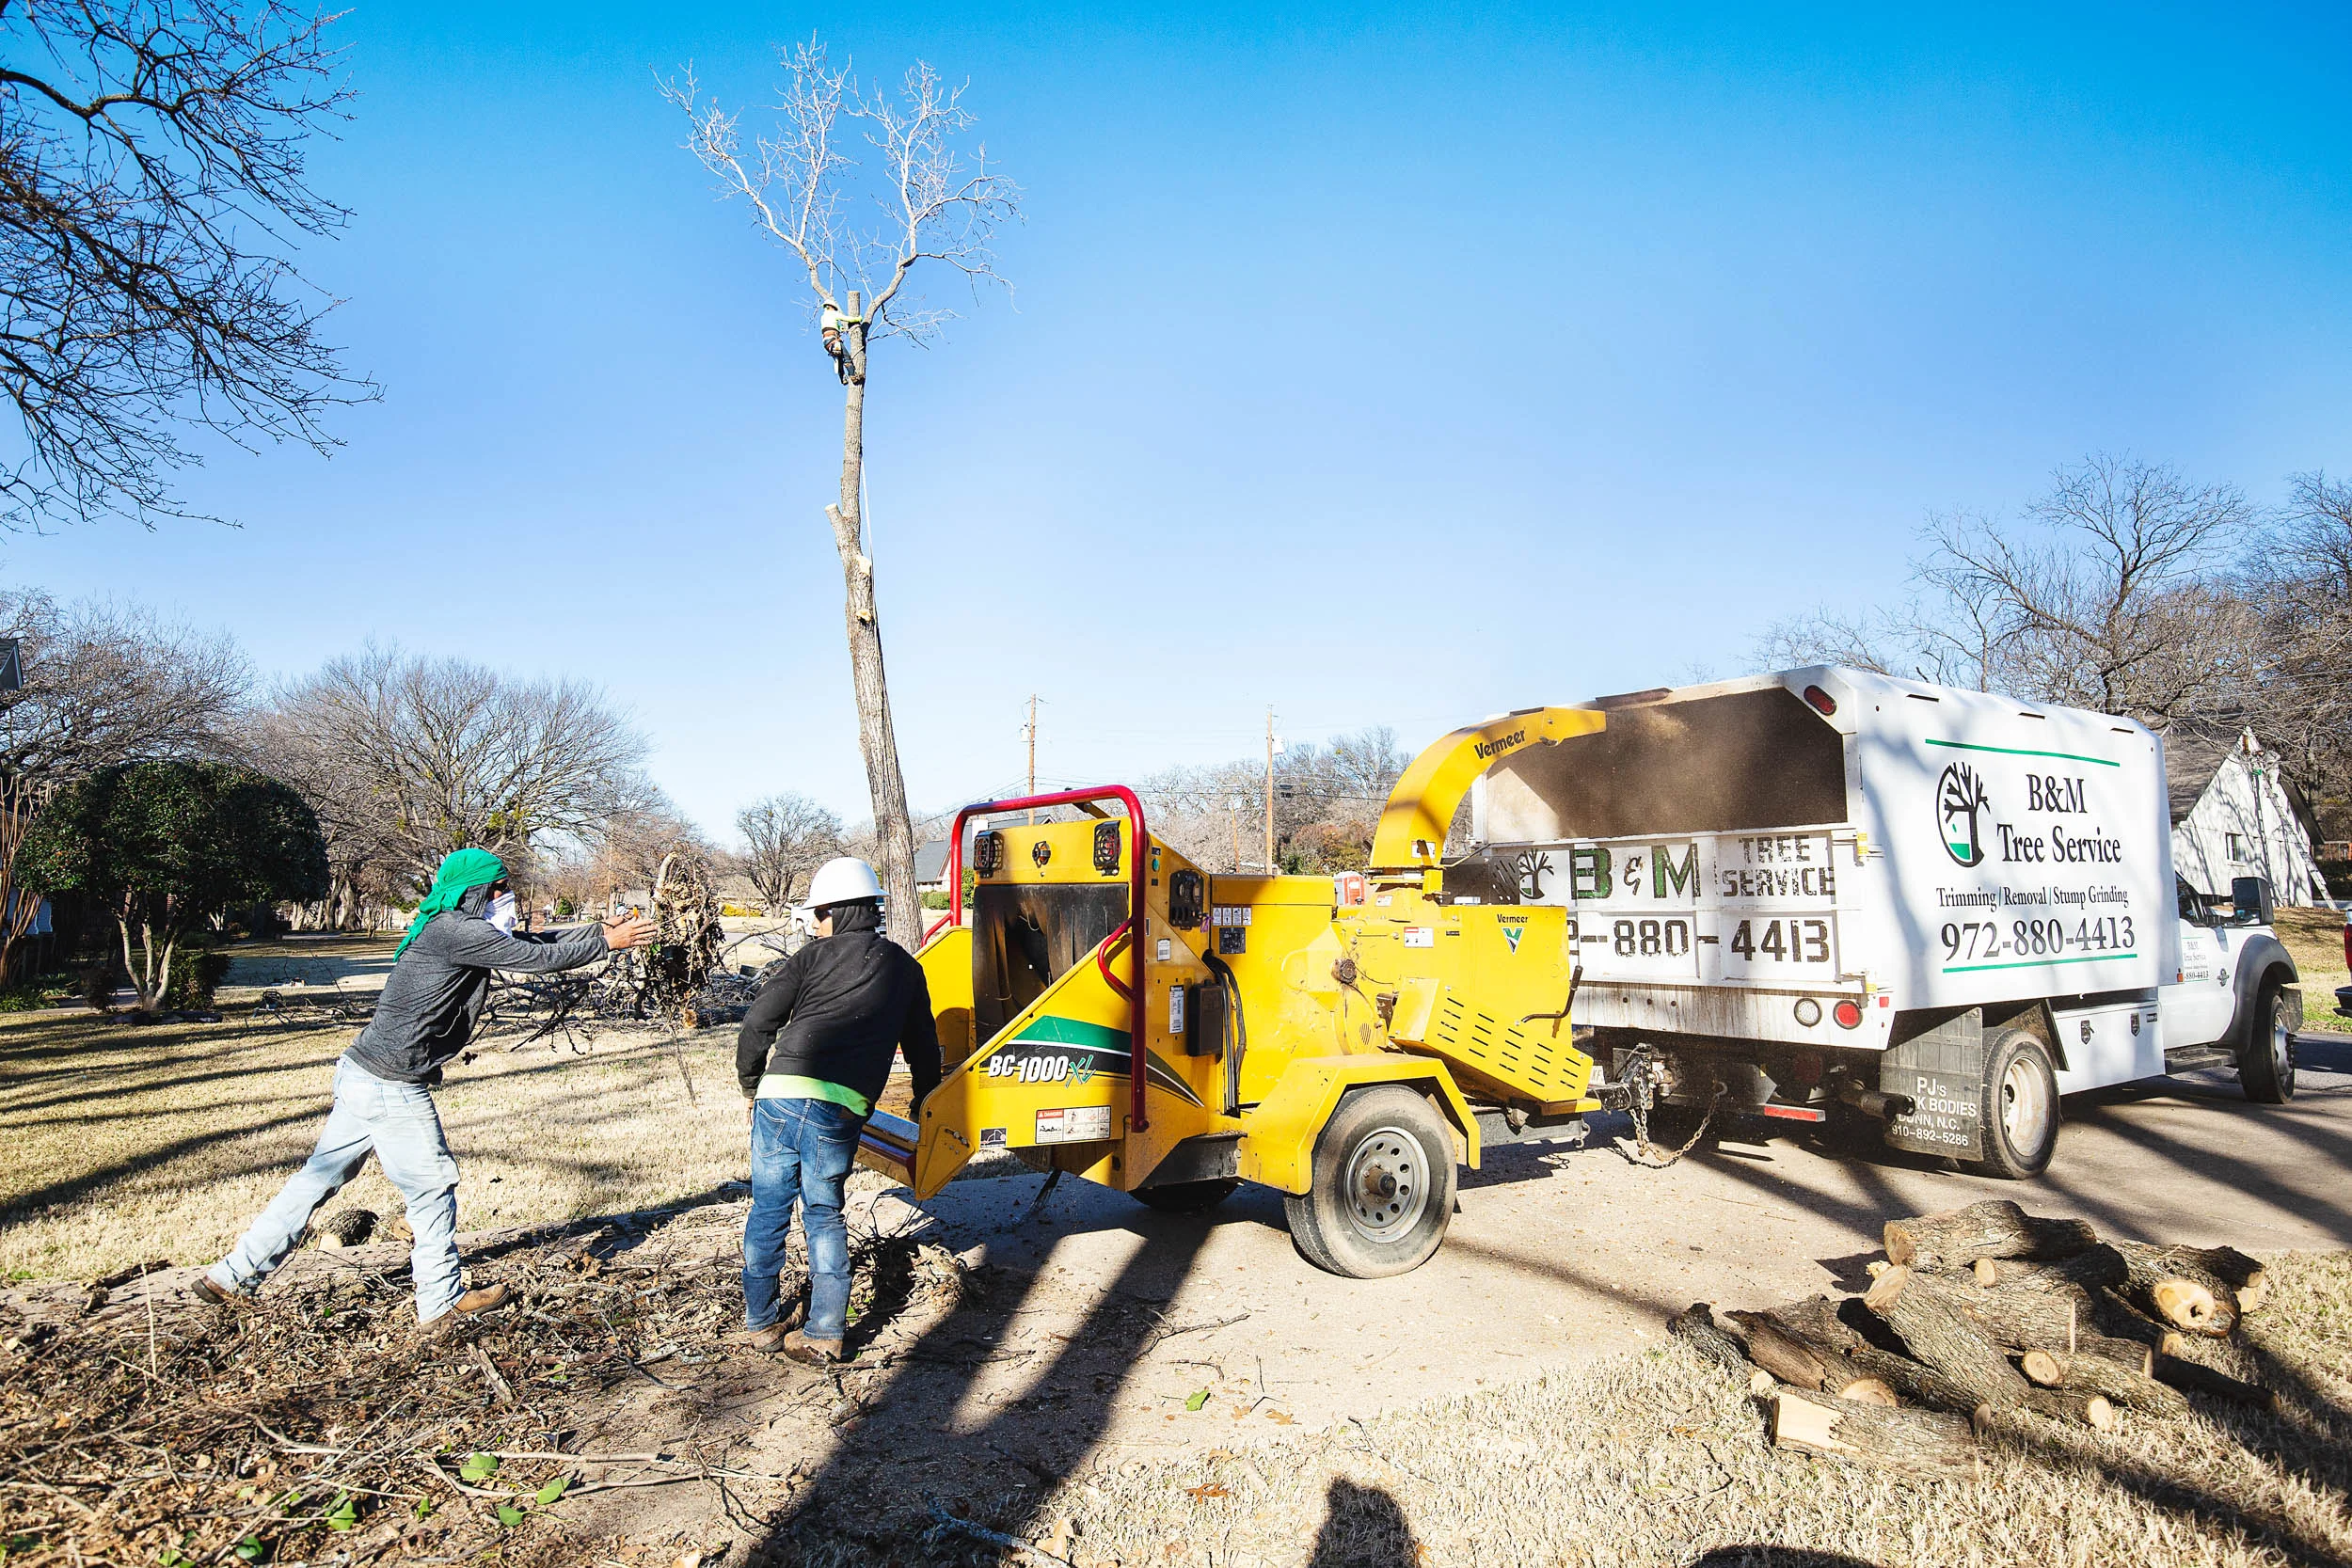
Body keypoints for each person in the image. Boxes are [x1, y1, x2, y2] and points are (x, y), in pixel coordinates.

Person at [197, 848, 655, 1335]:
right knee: (433, 1185)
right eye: (499, 886)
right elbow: (534, 957)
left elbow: (529, 939)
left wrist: (598, 933)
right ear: (474, 890)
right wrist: (608, 943)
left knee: (318, 1179)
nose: (506, 894)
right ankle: (440, 1300)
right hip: (392, 1082)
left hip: (363, 1072)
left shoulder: (450, 926)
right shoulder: (458, 931)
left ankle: (232, 1275)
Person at [735, 856, 940, 1364]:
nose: (816, 924)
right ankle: (825, 1331)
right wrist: (924, 1099)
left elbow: (758, 1023)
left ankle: (760, 1322)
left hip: (779, 1097)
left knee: (768, 1209)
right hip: (840, 1107)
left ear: (833, 912)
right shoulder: (904, 968)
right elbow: (923, 1046)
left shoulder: (808, 959)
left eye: (818, 913)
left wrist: (751, 1086)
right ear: (871, 909)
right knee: (823, 1213)